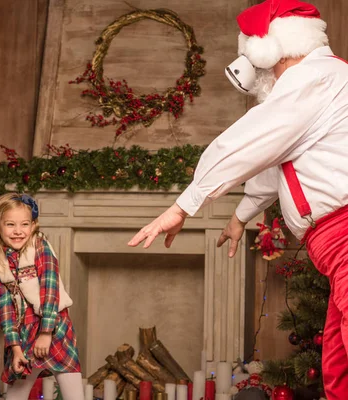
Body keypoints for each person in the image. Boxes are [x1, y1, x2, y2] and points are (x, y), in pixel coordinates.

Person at [128, 1, 348, 398]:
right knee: (338, 366)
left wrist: (183, 205)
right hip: (336, 246)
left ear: (269, 51)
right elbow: (277, 157)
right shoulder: (325, 80)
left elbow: (248, 142)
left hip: (344, 238)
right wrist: (241, 216)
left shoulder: (313, 78)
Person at [0, 193, 84, 400]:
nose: (18, 231)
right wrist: (15, 348)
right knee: (15, 395)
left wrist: (46, 333)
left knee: (74, 394)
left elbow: (50, 289)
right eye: (10, 224)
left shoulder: (40, 247)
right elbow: (4, 310)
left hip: (55, 328)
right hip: (23, 334)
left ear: (33, 225)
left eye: (24, 224)